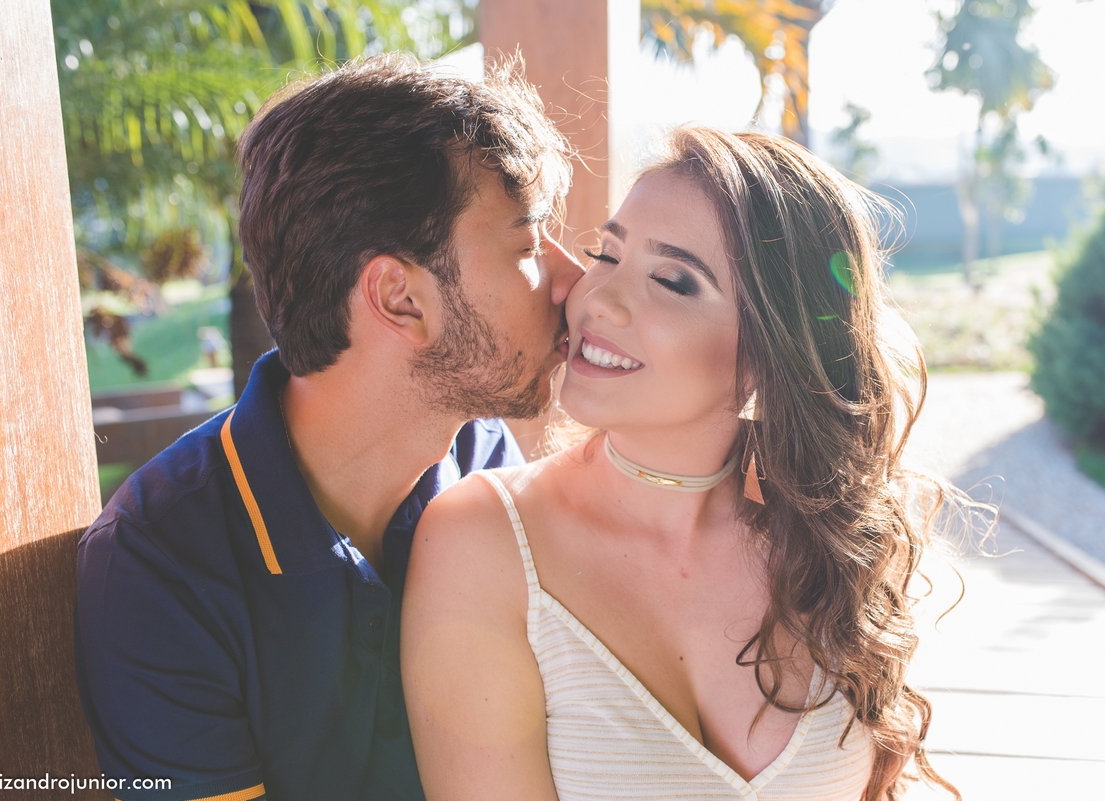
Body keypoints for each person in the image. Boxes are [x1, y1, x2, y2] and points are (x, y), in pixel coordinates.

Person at [74, 54, 583, 801]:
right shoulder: (160, 568)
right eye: (530, 246)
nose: (575, 277)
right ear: (400, 298)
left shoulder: (483, 463)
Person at [403, 127, 960, 801]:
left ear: (766, 351)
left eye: (670, 280)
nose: (595, 298)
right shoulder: (482, 538)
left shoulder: (833, 543)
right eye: (606, 254)